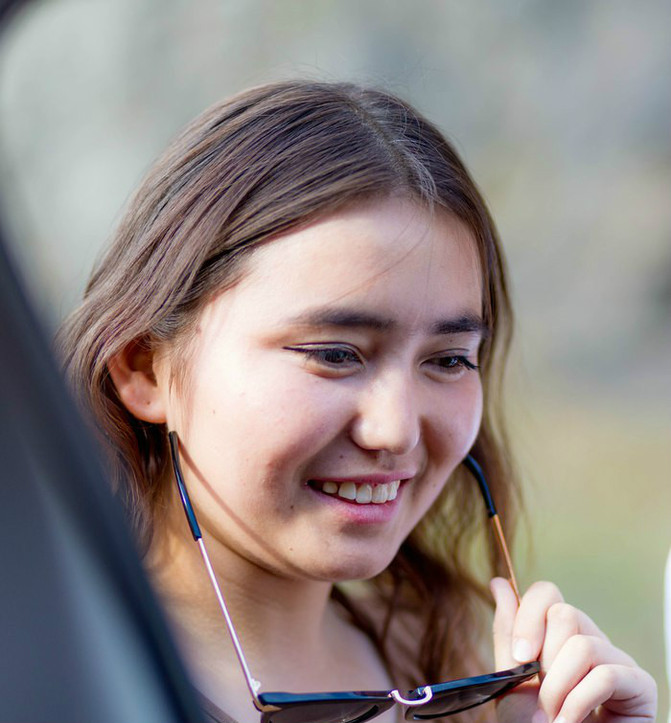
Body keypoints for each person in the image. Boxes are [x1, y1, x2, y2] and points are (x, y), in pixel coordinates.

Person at [58, 81, 656, 723]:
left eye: (449, 360)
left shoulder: (448, 664)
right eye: (335, 353)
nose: (395, 430)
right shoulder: (61, 675)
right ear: (144, 369)